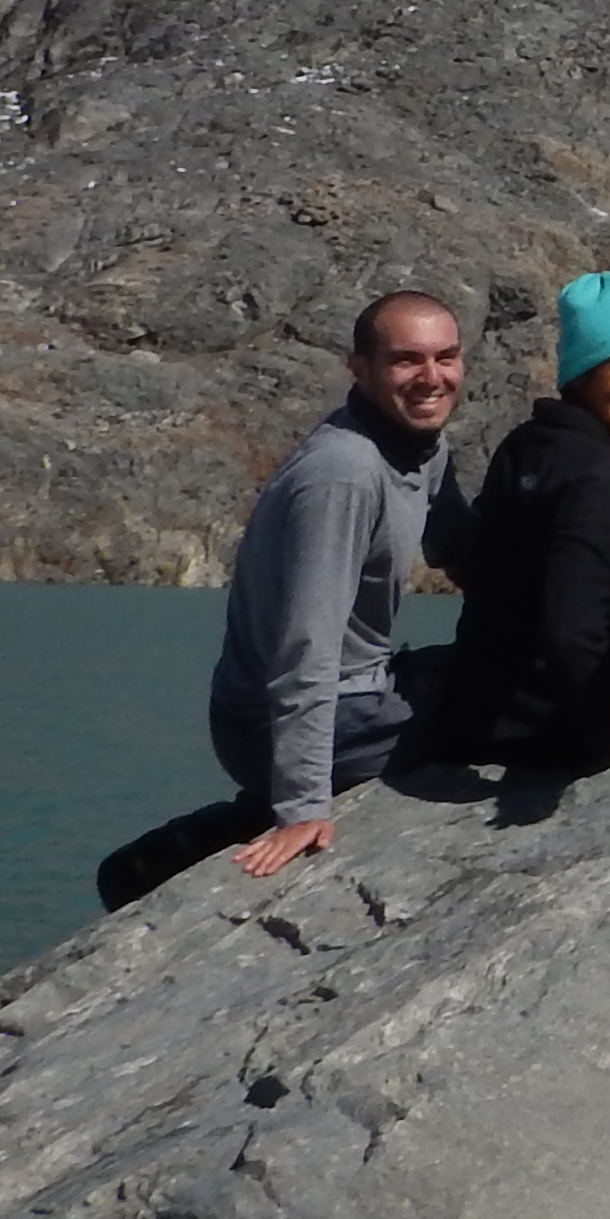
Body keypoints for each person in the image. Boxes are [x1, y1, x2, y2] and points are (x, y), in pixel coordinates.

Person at [208, 290, 468, 876]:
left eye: (445, 357)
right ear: (361, 368)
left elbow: (463, 552)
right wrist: (302, 805)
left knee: (516, 678)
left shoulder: (422, 445)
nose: (431, 378)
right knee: (525, 714)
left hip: (358, 691)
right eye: (407, 360)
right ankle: (198, 843)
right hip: (271, 723)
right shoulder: (344, 474)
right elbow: (306, 646)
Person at [420, 272, 610, 774]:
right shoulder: (599, 475)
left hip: (480, 706)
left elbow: (486, 572)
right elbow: (573, 632)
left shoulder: (526, 443)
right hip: (547, 724)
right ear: (584, 369)